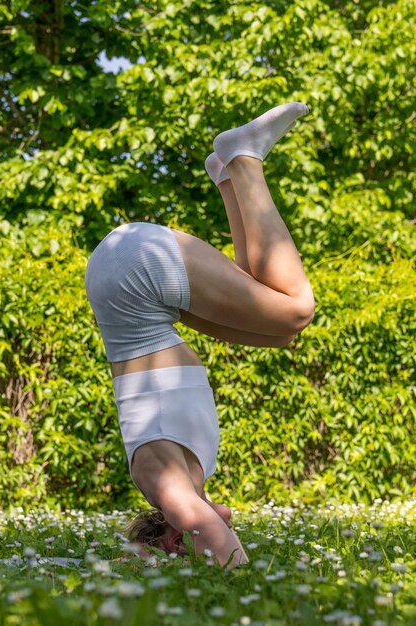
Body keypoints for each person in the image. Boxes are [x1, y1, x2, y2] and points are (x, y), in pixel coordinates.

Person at [85, 102, 315, 568]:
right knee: (276, 331)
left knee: (295, 309)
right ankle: (229, 172)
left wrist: (241, 578)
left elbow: (207, 529)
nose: (226, 521)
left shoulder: (164, 486)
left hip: (135, 276)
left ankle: (245, 159)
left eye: (207, 533)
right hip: (136, 288)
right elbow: (209, 521)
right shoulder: (185, 481)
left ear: (174, 540)